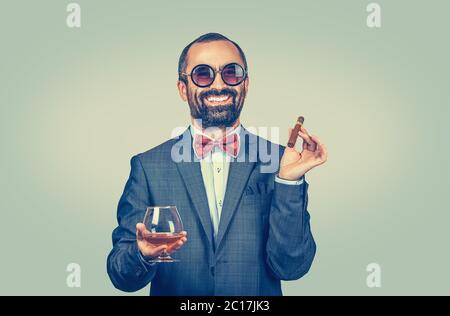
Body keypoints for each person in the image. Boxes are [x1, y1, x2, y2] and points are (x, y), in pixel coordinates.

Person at [107, 33, 328, 295]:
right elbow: (121, 277)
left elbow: (292, 268)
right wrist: (142, 254)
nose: (218, 85)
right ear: (182, 88)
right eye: (203, 74)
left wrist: (288, 182)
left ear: (245, 85)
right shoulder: (148, 167)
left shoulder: (281, 163)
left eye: (231, 73)